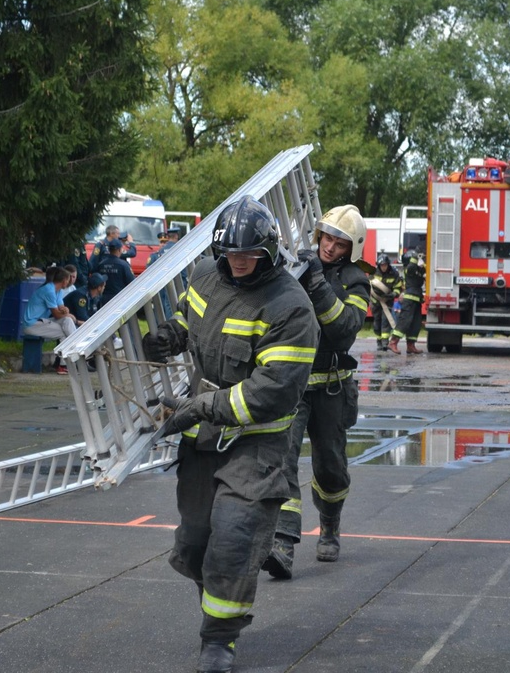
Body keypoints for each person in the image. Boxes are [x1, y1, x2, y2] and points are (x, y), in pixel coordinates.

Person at [141, 198, 318, 673]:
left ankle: (219, 641)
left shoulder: (290, 308)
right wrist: (166, 337)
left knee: (234, 538)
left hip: (256, 442)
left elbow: (273, 392)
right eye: (230, 254)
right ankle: (216, 603)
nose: (239, 263)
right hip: (202, 440)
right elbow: (188, 320)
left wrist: (204, 405)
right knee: (196, 539)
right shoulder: (205, 275)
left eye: (249, 255)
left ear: (270, 252)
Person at [262, 205, 370, 581]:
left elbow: (344, 329)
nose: (329, 247)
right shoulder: (296, 269)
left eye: (339, 243)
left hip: (332, 388)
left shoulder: (357, 281)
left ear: (351, 248)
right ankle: (283, 543)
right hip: (292, 386)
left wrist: (320, 283)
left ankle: (330, 525)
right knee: (282, 461)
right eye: (326, 238)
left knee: (331, 467)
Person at [22, 267, 79, 375]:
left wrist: (66, 311)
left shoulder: (57, 291)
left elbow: (61, 309)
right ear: (63, 281)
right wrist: (67, 313)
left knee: (67, 321)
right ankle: (70, 360)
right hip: (31, 324)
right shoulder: (49, 290)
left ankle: (66, 362)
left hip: (41, 321)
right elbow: (57, 314)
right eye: (68, 279)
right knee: (65, 331)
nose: (69, 281)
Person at [387, 250, 425, 355]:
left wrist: (424, 260)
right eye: (414, 259)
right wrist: (415, 256)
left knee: (415, 324)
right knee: (405, 321)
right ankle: (393, 342)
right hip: (409, 300)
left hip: (417, 299)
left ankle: (411, 346)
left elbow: (424, 271)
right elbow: (412, 266)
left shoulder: (418, 269)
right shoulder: (408, 269)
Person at [370, 254, 404, 352]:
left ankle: (385, 343)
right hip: (375, 301)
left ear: (388, 265)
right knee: (377, 323)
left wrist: (393, 295)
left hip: (387, 302)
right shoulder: (374, 273)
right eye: (381, 265)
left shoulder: (394, 274)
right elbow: (369, 285)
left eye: (385, 265)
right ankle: (379, 341)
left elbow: (398, 288)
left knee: (386, 322)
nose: (383, 267)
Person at [97, 238, 135, 304]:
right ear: (120, 250)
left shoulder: (101, 264)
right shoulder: (124, 265)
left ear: (109, 249)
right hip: (119, 299)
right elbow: (131, 282)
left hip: (104, 300)